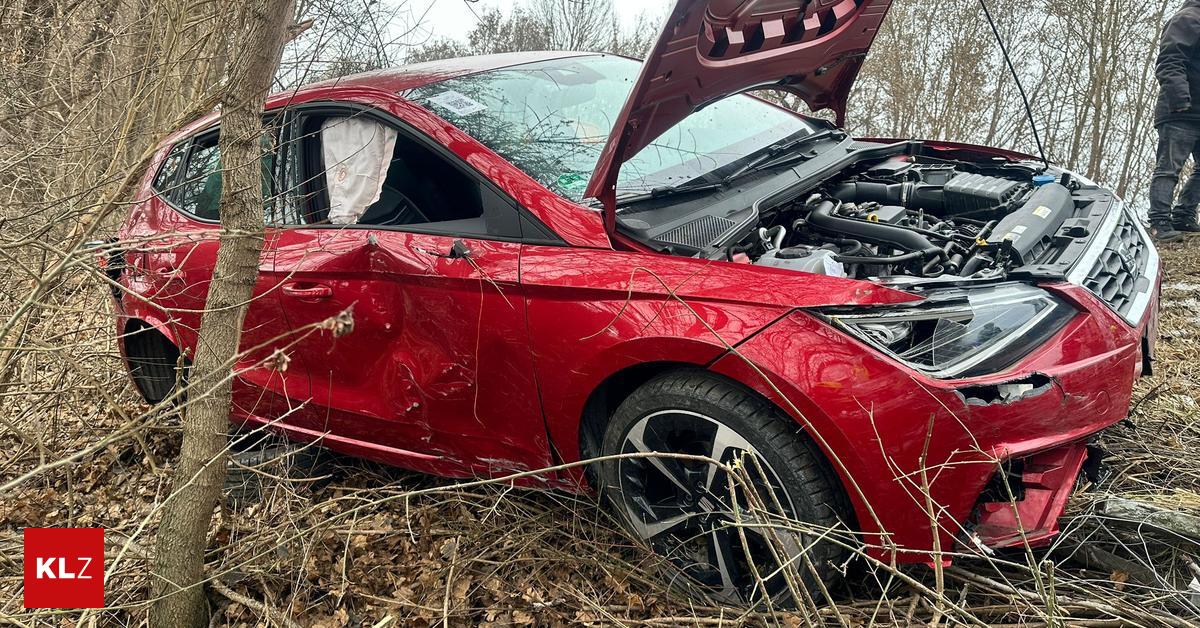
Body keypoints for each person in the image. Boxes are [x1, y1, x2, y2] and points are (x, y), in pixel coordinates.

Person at [1151, 0, 1200, 242]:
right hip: (1180, 110)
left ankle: (1184, 215)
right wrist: (1180, 99)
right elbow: (1169, 60)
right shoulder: (1189, 18)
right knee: (1169, 169)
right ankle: (1160, 221)